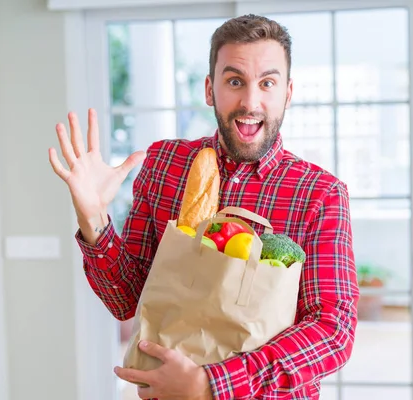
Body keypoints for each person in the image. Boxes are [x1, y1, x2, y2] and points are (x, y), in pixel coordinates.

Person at [49, 14, 359, 400]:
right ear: (210, 89)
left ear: (288, 93)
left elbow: (333, 330)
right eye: (234, 82)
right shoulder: (165, 165)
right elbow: (125, 297)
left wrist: (211, 383)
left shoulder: (320, 193)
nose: (250, 101)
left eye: (267, 83)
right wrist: (93, 217)